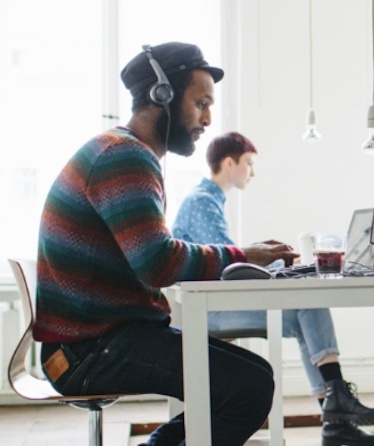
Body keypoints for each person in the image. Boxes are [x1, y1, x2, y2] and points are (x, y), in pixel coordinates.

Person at [33, 42, 299, 446]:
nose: (208, 118)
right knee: (248, 387)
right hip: (86, 350)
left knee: (255, 378)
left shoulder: (124, 153)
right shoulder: (125, 158)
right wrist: (243, 255)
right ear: (163, 97)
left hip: (98, 338)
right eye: (201, 103)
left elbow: (155, 252)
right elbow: (158, 262)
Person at [172, 131, 374, 446]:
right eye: (248, 163)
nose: (252, 172)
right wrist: (277, 267)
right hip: (205, 310)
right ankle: (336, 401)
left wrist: (278, 267)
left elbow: (228, 259)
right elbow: (228, 266)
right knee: (306, 301)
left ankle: (335, 419)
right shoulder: (203, 201)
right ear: (229, 163)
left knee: (304, 312)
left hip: (213, 303)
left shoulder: (209, 200)